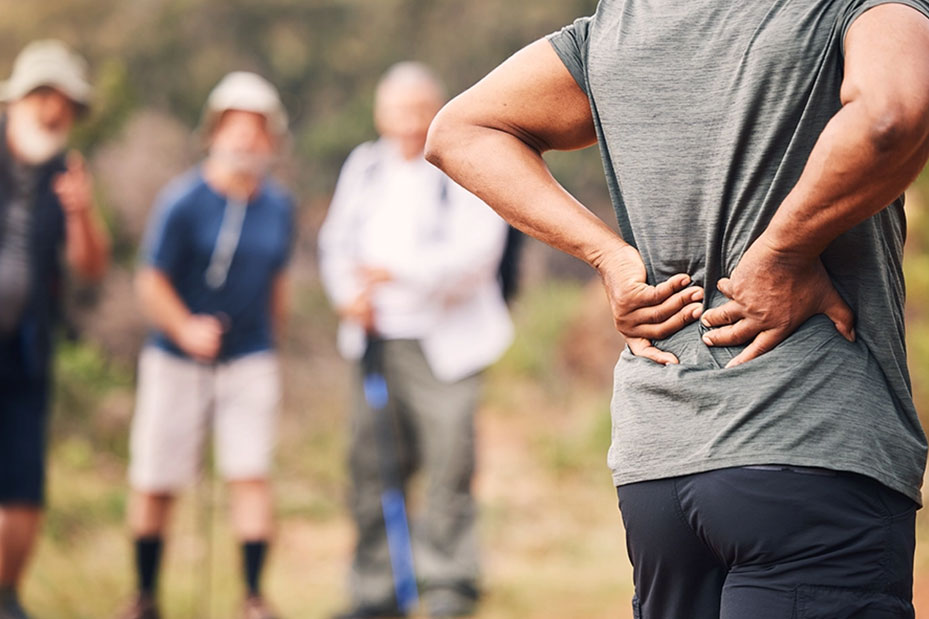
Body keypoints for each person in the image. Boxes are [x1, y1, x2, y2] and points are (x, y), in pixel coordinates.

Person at [425, 1, 929, 617]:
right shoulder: (849, 8)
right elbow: (894, 113)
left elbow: (460, 130)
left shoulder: (620, 25)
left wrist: (609, 257)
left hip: (658, 469)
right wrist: (784, 253)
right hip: (807, 435)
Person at [319, 62, 513, 619]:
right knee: (371, 467)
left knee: (449, 465)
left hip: (445, 349)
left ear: (436, 109)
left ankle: (450, 584)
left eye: (416, 109)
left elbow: (478, 256)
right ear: (380, 113)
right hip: (374, 341)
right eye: (396, 109)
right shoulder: (364, 166)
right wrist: (346, 294)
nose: (406, 121)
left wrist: (395, 271)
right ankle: (376, 589)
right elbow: (335, 243)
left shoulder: (461, 164)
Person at [120, 71, 293, 619]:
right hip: (176, 359)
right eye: (234, 127)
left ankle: (253, 597)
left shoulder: (279, 207)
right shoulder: (183, 200)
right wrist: (185, 329)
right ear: (213, 133)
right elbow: (150, 280)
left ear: (271, 140)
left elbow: (279, 284)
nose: (244, 140)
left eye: (256, 130)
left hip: (249, 358)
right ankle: (145, 596)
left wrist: (271, 337)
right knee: (157, 477)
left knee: (250, 472)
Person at [0, 39, 110, 619]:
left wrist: (81, 211)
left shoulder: (67, 175)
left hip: (26, 349)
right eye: (44, 96)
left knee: (21, 483)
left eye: (65, 102)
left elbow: (91, 268)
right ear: (19, 99)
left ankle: (7, 597)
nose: (54, 111)